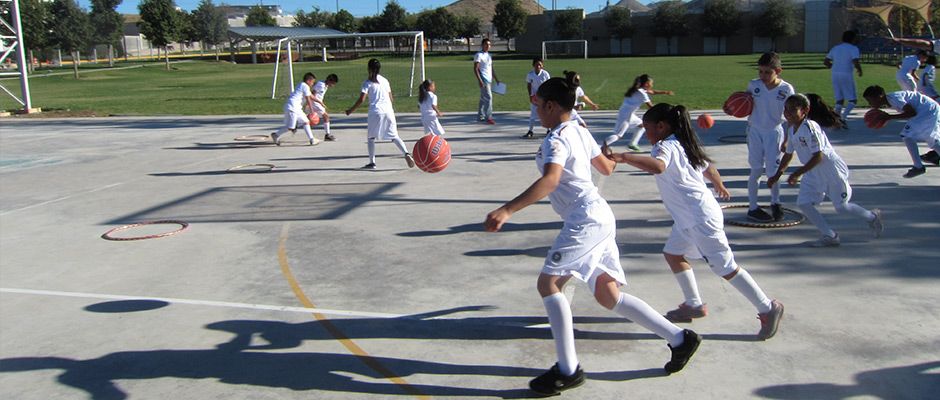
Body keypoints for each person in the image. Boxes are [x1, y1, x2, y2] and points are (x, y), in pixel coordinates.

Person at [484, 77, 700, 396]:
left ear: (551, 105)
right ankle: (680, 340)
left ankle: (568, 369)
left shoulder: (557, 139)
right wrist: (610, 155)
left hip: (585, 220)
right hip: (598, 215)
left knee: (549, 283)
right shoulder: (579, 130)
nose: (537, 110)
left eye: (538, 103)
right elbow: (607, 169)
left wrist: (507, 210)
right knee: (607, 295)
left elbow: (551, 180)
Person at [604, 102, 784, 340]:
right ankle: (694, 304)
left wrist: (623, 156)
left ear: (661, 126)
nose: (645, 133)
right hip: (688, 218)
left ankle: (767, 308)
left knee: (726, 267)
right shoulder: (683, 144)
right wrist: (718, 184)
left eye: (647, 128)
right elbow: (709, 168)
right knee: (674, 254)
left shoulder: (664, 147)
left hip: (700, 218)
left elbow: (659, 167)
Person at [769, 94, 884, 247]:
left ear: (805, 110)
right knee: (804, 203)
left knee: (842, 207)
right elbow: (788, 154)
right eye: (785, 109)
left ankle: (872, 217)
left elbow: (819, 156)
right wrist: (777, 175)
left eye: (792, 109)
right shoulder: (791, 129)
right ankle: (830, 235)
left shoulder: (810, 128)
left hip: (831, 170)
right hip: (812, 172)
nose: (787, 113)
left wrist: (797, 173)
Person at [743, 52, 795, 223]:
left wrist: (787, 138)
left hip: (774, 132)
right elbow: (743, 104)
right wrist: (731, 107)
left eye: (767, 72)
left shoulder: (786, 89)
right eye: (760, 72)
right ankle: (753, 207)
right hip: (755, 131)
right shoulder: (753, 85)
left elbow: (790, 116)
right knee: (756, 169)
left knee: (773, 171)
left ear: (778, 70)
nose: (763, 76)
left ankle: (775, 202)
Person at [345, 59, 415, 170]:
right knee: (394, 136)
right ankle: (406, 153)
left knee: (371, 137)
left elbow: (362, 99)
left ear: (368, 68)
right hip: (388, 111)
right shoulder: (385, 81)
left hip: (376, 112)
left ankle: (372, 163)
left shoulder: (367, 83)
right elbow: (391, 98)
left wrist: (350, 110)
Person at [863, 85, 940, 177]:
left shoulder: (894, 99)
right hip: (931, 109)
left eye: (870, 100)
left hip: (926, 111)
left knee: (907, 135)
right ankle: (919, 166)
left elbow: (911, 112)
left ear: (880, 96)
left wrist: (889, 117)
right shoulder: (891, 100)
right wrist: (889, 117)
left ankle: (918, 166)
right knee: (932, 140)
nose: (869, 103)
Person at [603, 74, 673, 152]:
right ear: (646, 84)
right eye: (651, 83)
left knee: (642, 125)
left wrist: (665, 92)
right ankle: (603, 146)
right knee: (618, 135)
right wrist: (661, 114)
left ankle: (632, 144)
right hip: (626, 115)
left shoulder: (638, 89)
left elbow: (652, 92)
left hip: (627, 113)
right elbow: (651, 106)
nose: (652, 85)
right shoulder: (642, 93)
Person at [824, 30, 863, 129]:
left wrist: (834, 67)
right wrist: (859, 70)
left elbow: (826, 61)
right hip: (846, 74)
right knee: (852, 99)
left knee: (839, 99)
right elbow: (855, 60)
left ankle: (835, 120)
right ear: (853, 38)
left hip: (835, 74)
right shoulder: (853, 48)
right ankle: (843, 118)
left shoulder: (836, 48)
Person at [271, 72, 320, 146]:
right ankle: (275, 135)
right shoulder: (305, 86)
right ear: (308, 80)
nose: (313, 84)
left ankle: (312, 139)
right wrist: (312, 110)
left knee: (306, 122)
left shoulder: (302, 85)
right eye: (312, 82)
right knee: (291, 127)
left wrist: (320, 102)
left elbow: (311, 96)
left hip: (296, 108)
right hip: (292, 107)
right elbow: (308, 99)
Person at [523, 57, 551, 138]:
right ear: (533, 65)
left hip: (544, 96)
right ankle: (530, 131)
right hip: (535, 97)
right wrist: (530, 95)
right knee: (533, 114)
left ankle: (549, 130)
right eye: (536, 65)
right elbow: (529, 85)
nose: (538, 66)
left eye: (539, 65)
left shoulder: (545, 74)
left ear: (542, 65)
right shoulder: (530, 74)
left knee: (547, 113)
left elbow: (548, 85)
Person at [474, 38, 499, 124]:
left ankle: (480, 116)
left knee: (483, 98)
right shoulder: (478, 55)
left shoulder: (489, 55)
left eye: (489, 45)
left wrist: (496, 79)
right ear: (482, 45)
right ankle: (489, 117)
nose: (488, 46)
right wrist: (480, 80)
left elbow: (491, 68)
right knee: (489, 97)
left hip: (489, 79)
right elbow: (476, 69)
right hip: (483, 79)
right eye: (486, 44)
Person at [310, 73, 339, 141]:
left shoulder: (325, 85)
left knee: (308, 119)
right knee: (326, 116)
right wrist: (310, 103)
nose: (333, 85)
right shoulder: (321, 84)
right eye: (333, 83)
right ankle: (327, 135)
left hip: (318, 103)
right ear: (330, 81)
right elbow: (313, 93)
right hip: (315, 103)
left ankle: (295, 126)